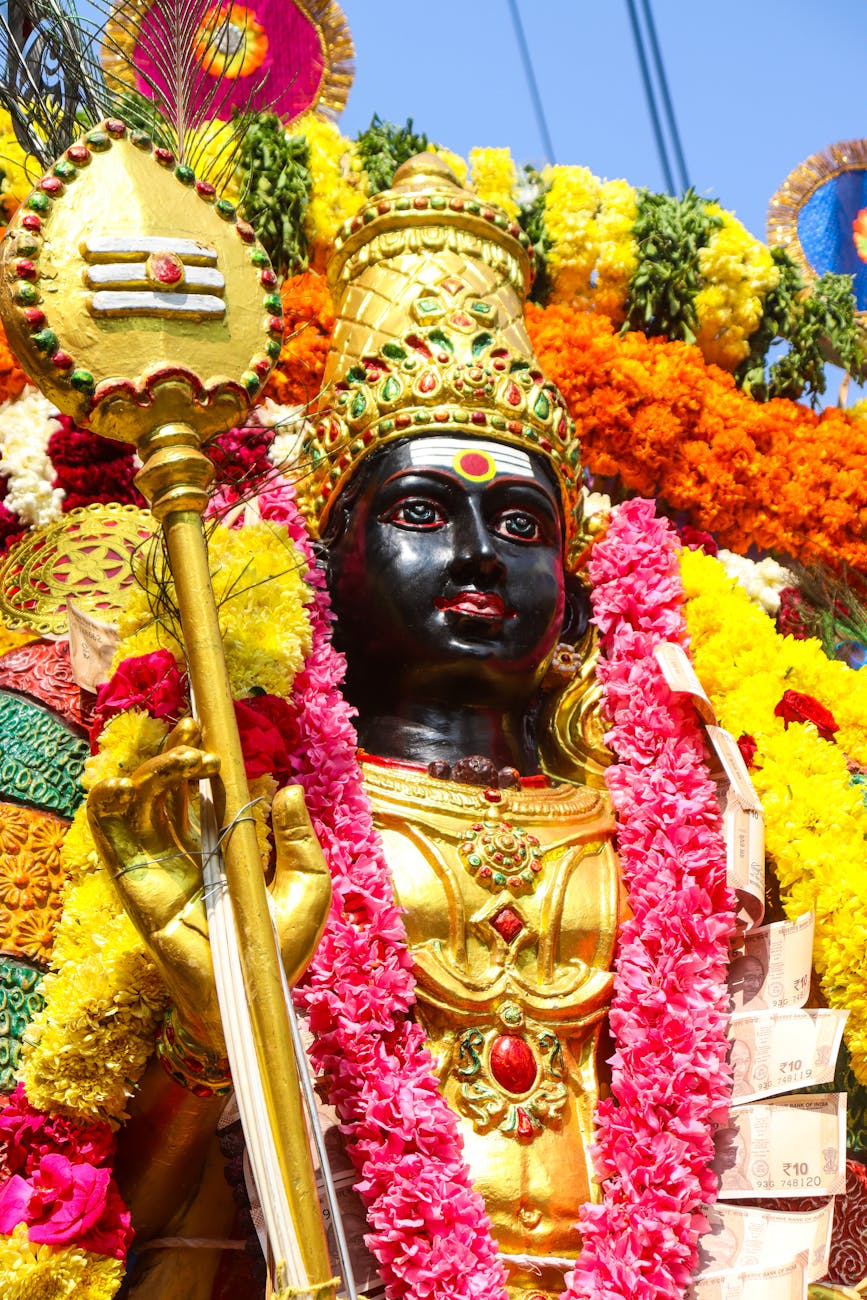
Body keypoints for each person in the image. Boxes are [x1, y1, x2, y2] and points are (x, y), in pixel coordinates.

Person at [86, 155, 625, 1300]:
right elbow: (113, 1214)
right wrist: (213, 1010)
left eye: (523, 521)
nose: (481, 553)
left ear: (574, 585)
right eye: (426, 512)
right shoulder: (248, 816)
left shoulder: (672, 826)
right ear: (331, 558)